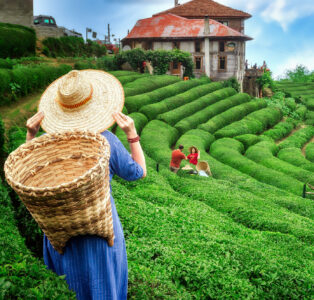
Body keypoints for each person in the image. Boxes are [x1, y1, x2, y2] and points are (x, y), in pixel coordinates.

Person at [25, 69, 147, 300]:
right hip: (99, 231)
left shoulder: (45, 143)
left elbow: (29, 177)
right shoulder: (105, 141)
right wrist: (132, 134)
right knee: (102, 288)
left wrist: (31, 136)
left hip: (60, 233)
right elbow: (138, 173)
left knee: (67, 289)